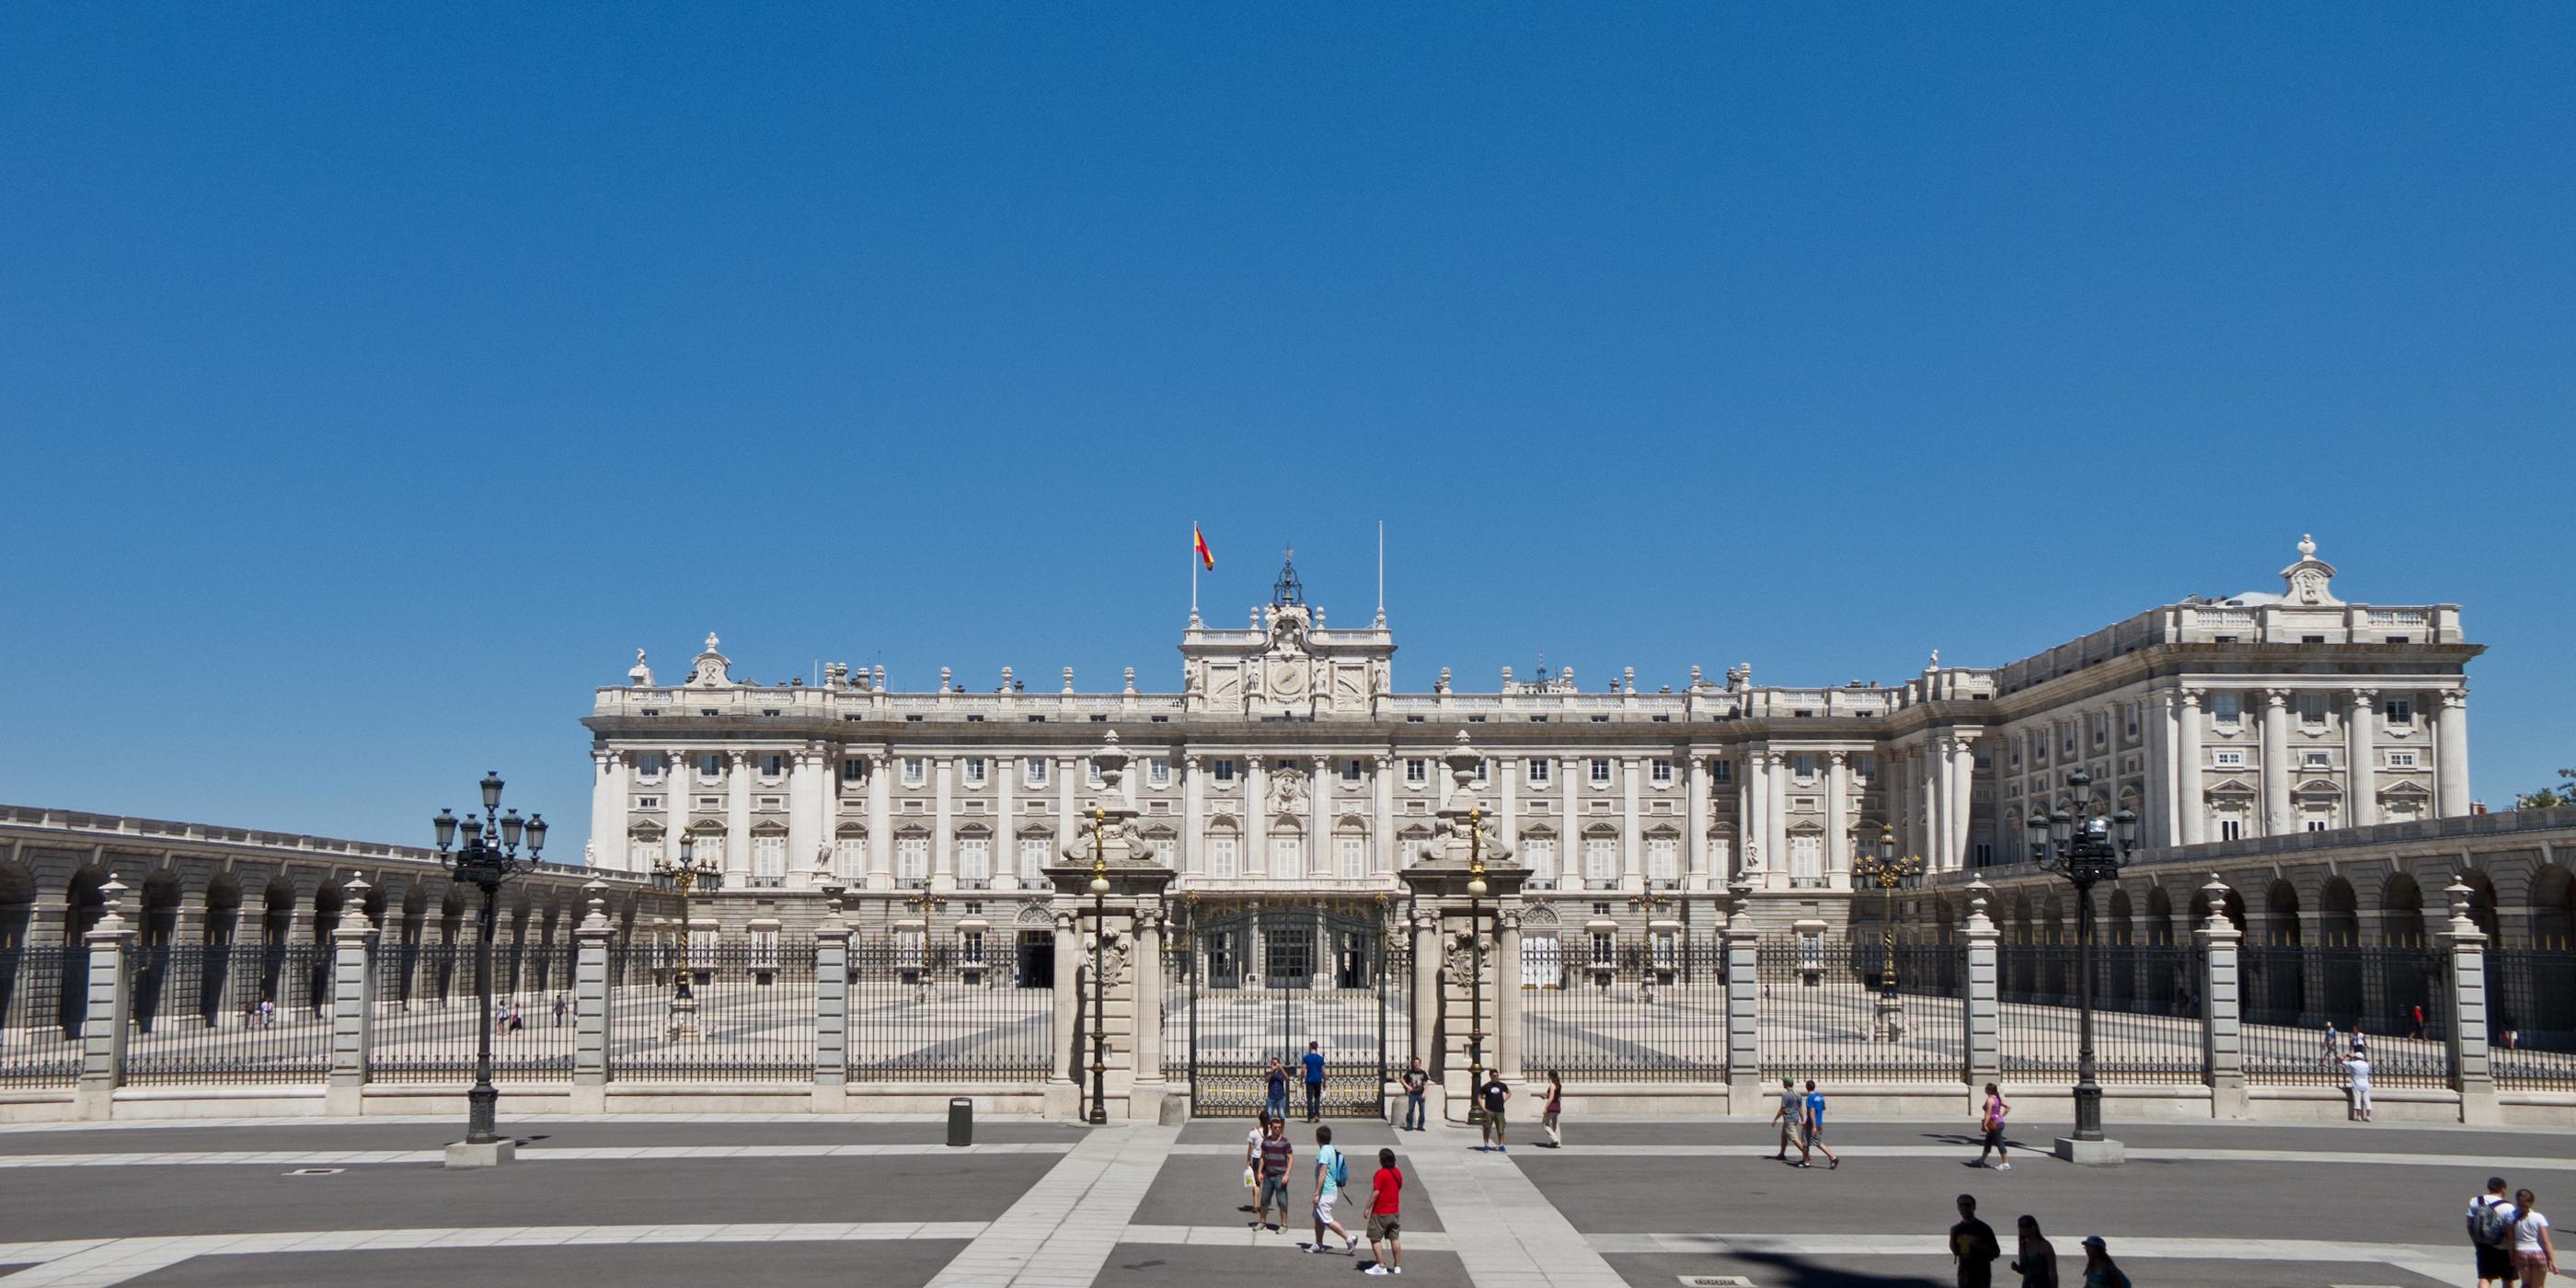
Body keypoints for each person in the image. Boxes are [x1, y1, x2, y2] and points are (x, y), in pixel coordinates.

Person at [1309, 1124, 1357, 1254]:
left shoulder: (1324, 1152)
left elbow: (1322, 1174)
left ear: (1318, 1138)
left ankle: (1349, 1239)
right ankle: (1319, 1243)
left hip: (1325, 1192)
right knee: (1318, 1218)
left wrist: (1316, 1193)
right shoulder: (1331, 1149)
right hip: (1330, 1191)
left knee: (1326, 1219)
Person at [2469, 1175, 2520, 1288]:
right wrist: (2513, 1253)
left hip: (2483, 1245)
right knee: (2508, 1280)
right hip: (2504, 1248)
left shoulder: (2475, 1201)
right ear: (2503, 1189)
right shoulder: (2508, 1207)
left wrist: (2476, 1242)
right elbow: (2511, 1232)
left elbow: (2470, 1224)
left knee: (2485, 1278)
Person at [1364, 1146, 1403, 1276]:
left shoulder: (1380, 1174)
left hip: (1380, 1211)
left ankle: (1381, 1266)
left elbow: (1376, 1192)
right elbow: (1399, 1186)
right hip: (1394, 1211)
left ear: (1382, 1160)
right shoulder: (1397, 1173)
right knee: (1394, 1238)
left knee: (1375, 1238)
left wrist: (1367, 1207)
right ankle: (1397, 1266)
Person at [1951, 1194, 2003, 1288]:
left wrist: (1979, 1245)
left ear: (1974, 1207)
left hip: (1981, 1275)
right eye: (1961, 1205)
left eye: (1968, 1205)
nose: (1965, 1208)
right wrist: (1952, 1236)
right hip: (1964, 1274)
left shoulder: (1984, 1228)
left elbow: (1996, 1252)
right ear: (1958, 1207)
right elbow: (1955, 1252)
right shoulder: (1956, 1229)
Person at [1254, 1115, 1294, 1231]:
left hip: (1280, 1176)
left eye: (1279, 1127)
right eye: (1275, 1127)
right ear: (1270, 1128)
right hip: (1268, 1175)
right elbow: (1263, 1157)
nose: (1278, 1129)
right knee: (1264, 1200)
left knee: (1282, 1201)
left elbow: (1290, 1158)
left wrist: (1287, 1174)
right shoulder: (1266, 1142)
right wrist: (1260, 1172)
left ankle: (1283, 1225)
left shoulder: (1285, 1142)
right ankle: (1262, 1222)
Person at [2516, 1188, 2559, 1288]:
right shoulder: (2538, 1217)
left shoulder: (2512, 1216)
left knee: (2526, 1284)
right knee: (2538, 1286)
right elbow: (2546, 1241)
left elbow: (2510, 1238)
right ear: (2532, 1201)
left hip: (2521, 1252)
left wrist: (2511, 1256)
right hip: (2537, 1252)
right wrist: (2553, 1261)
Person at [1800, 1080, 1838, 1169]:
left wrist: (1812, 1126)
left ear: (1806, 1087)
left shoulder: (1810, 1098)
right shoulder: (1820, 1096)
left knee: (1806, 1143)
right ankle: (1832, 1157)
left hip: (1812, 1124)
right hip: (1819, 1122)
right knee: (1817, 1142)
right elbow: (1823, 1107)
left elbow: (1812, 1111)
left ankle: (1807, 1161)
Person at [2011, 1215, 2059, 1288]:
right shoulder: (2023, 1246)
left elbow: (2052, 1271)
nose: (2024, 1229)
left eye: (2027, 1226)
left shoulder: (2045, 1246)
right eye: (2021, 1227)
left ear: (2035, 1227)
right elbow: (2023, 1270)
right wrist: (2016, 1268)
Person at [1974, 1083, 2012, 1169]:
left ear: (1989, 1090)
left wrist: (1984, 1124)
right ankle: (1981, 1160)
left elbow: (1988, 1114)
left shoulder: (1990, 1100)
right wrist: (2001, 1117)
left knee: (1999, 1143)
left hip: (1994, 1124)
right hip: (1999, 1122)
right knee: (1988, 1142)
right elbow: (2008, 1107)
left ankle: (2006, 1164)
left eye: (1986, 1088)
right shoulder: (1997, 1098)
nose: (1985, 1090)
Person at [1771, 1077, 1805, 1163]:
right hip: (1795, 1117)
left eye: (1783, 1082)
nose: (1782, 1084)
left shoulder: (1786, 1095)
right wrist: (1802, 1119)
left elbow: (1782, 1109)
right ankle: (1782, 1154)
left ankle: (1807, 1154)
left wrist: (1775, 1119)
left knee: (1794, 1138)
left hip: (1789, 1119)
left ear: (1786, 1084)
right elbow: (1800, 1108)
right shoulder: (1798, 1094)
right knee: (1784, 1137)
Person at [1478, 1073, 1510, 1152]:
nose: (1496, 1077)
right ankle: (1486, 1145)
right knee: (1487, 1128)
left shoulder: (1502, 1085)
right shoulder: (1486, 1086)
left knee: (1501, 1128)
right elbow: (1479, 1097)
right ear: (1491, 1076)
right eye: (1494, 1076)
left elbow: (1509, 1092)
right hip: (1489, 1110)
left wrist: (1504, 1100)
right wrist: (1482, 1107)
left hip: (1500, 1110)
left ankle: (1501, 1144)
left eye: (1497, 1075)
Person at [2343, 1048, 2374, 1121]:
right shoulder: (2366, 1064)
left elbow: (2342, 1061)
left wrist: (2345, 1055)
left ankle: (2359, 1116)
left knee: (2357, 1100)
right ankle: (2368, 1116)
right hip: (2365, 1084)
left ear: (2355, 1058)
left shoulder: (2353, 1064)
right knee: (2367, 1100)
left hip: (2356, 1084)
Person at [1400, 1057, 1428, 1132]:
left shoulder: (1423, 1073)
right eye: (1415, 1063)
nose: (1416, 1064)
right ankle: (1409, 1126)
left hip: (1421, 1094)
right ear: (1413, 1064)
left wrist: (1425, 1093)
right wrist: (1408, 1087)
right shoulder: (1410, 1072)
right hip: (1412, 1094)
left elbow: (1426, 1084)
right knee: (1410, 1110)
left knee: (1422, 1111)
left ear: (1420, 1064)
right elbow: (1402, 1079)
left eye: (1418, 1063)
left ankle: (1420, 1126)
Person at [1302, 1041, 1327, 1122]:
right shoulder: (1320, 1058)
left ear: (1310, 1047)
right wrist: (1325, 1081)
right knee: (1317, 1098)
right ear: (1317, 1047)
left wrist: (1301, 1079)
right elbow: (1323, 1071)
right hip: (1318, 1080)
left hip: (1309, 1080)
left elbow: (1303, 1070)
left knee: (1309, 1099)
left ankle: (1310, 1117)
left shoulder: (1306, 1058)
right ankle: (1316, 1115)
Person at [1541, 1070, 1565, 1148]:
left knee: (1545, 1123)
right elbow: (1555, 1096)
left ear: (1550, 1076)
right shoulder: (1558, 1084)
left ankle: (1555, 1140)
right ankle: (1558, 1141)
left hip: (1552, 1107)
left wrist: (1545, 1108)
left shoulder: (1552, 1085)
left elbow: (1551, 1098)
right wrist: (1546, 1096)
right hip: (1557, 1106)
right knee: (1555, 1124)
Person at [1265, 1056, 1290, 1121]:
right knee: (1269, 1114)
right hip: (1271, 1097)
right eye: (1273, 1063)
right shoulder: (1269, 1072)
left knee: (1282, 1115)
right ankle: (1269, 1130)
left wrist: (1281, 1068)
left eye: (1276, 1063)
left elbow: (1287, 1078)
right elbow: (1266, 1080)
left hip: (1280, 1097)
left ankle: (1281, 1130)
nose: (1275, 1065)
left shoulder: (1281, 1072)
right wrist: (1272, 1071)